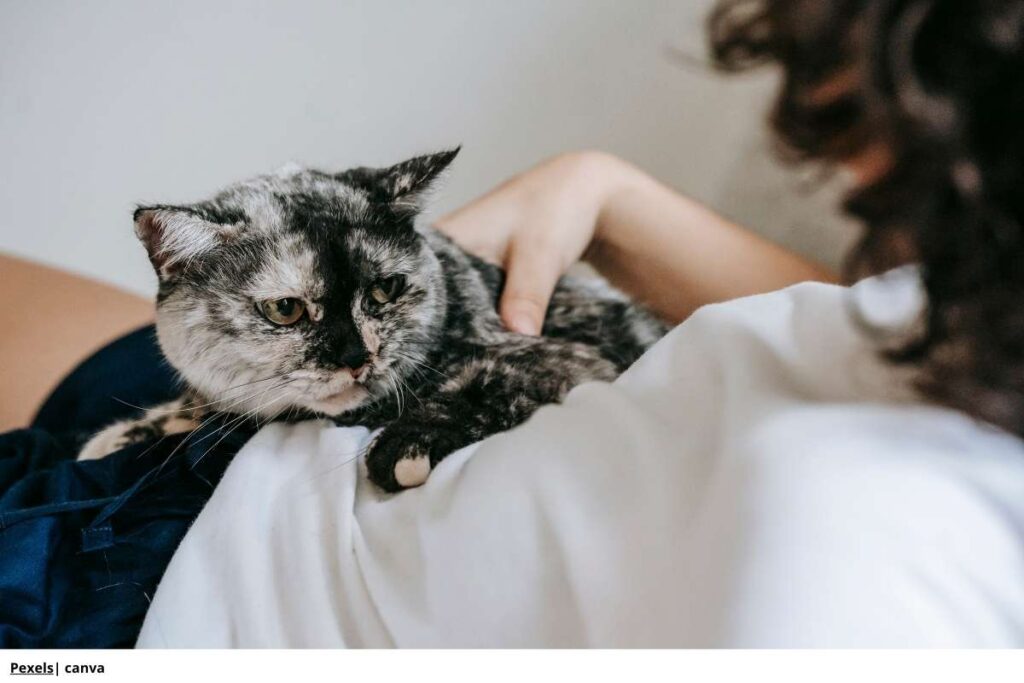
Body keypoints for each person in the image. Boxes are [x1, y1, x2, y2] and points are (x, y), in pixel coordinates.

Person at [10, 0, 1024, 646]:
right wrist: (609, 192)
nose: (842, 174)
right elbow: (856, 326)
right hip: (241, 420)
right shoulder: (981, 320)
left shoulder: (882, 555)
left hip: (178, 602)